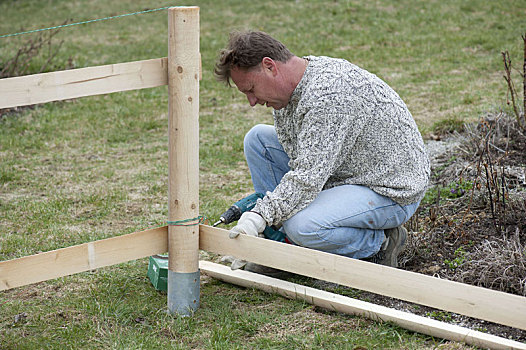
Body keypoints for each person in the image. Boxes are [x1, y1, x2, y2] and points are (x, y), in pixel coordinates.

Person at [214, 31, 430, 273]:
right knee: (258, 140)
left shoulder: (328, 95)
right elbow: (303, 163)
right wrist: (268, 214)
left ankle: (380, 244)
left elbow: (307, 177)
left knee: (303, 226)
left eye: (251, 89)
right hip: (344, 170)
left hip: (388, 188)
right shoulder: (288, 92)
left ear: (269, 66)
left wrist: (258, 216)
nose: (252, 101)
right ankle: (280, 245)